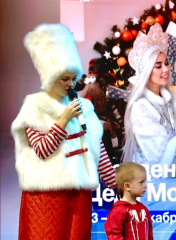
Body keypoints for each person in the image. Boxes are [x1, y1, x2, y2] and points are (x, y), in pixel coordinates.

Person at [11, 23, 116, 239]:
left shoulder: (85, 106)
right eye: (64, 79)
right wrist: (63, 120)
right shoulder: (34, 106)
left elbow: (97, 148)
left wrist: (117, 183)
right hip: (46, 196)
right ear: (51, 76)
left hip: (79, 195)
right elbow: (42, 149)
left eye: (73, 79)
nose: (70, 84)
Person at [123, 23, 176, 239]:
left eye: (166, 63)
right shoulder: (140, 107)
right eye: (157, 65)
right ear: (147, 70)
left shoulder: (172, 100)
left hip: (175, 177)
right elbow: (158, 153)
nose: (165, 69)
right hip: (151, 183)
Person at [104, 162, 153, 239]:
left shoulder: (144, 208)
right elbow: (113, 233)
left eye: (145, 182)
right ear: (127, 186)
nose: (145, 185)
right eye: (141, 182)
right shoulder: (118, 210)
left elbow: (150, 234)